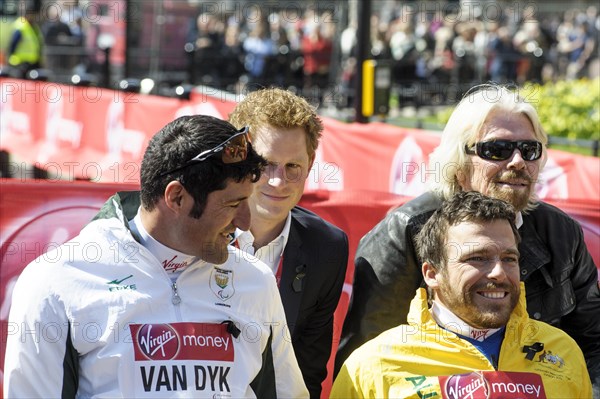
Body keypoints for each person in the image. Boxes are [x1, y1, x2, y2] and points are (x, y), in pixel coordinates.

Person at [4, 115, 309, 398]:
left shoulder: (255, 280)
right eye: (233, 204)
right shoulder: (57, 281)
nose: (245, 221)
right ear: (176, 197)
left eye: (248, 200)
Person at [336, 84, 600, 390]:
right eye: (497, 150)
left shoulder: (561, 233)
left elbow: (594, 343)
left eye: (529, 150)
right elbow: (368, 365)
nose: (517, 162)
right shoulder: (406, 229)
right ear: (459, 162)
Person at [331, 191, 593, 398]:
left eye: (509, 258)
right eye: (477, 258)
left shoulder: (563, 352)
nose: (499, 273)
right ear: (432, 274)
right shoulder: (372, 366)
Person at [228, 87, 349, 398]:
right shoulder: (193, 231)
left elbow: (307, 370)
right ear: (237, 157)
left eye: (292, 167)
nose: (278, 181)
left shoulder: (327, 247)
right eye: (265, 164)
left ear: (309, 163)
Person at [6, 2, 44, 78]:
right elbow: (12, 45)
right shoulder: (21, 26)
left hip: (32, 64)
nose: (34, 17)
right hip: (20, 64)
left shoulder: (33, 26)